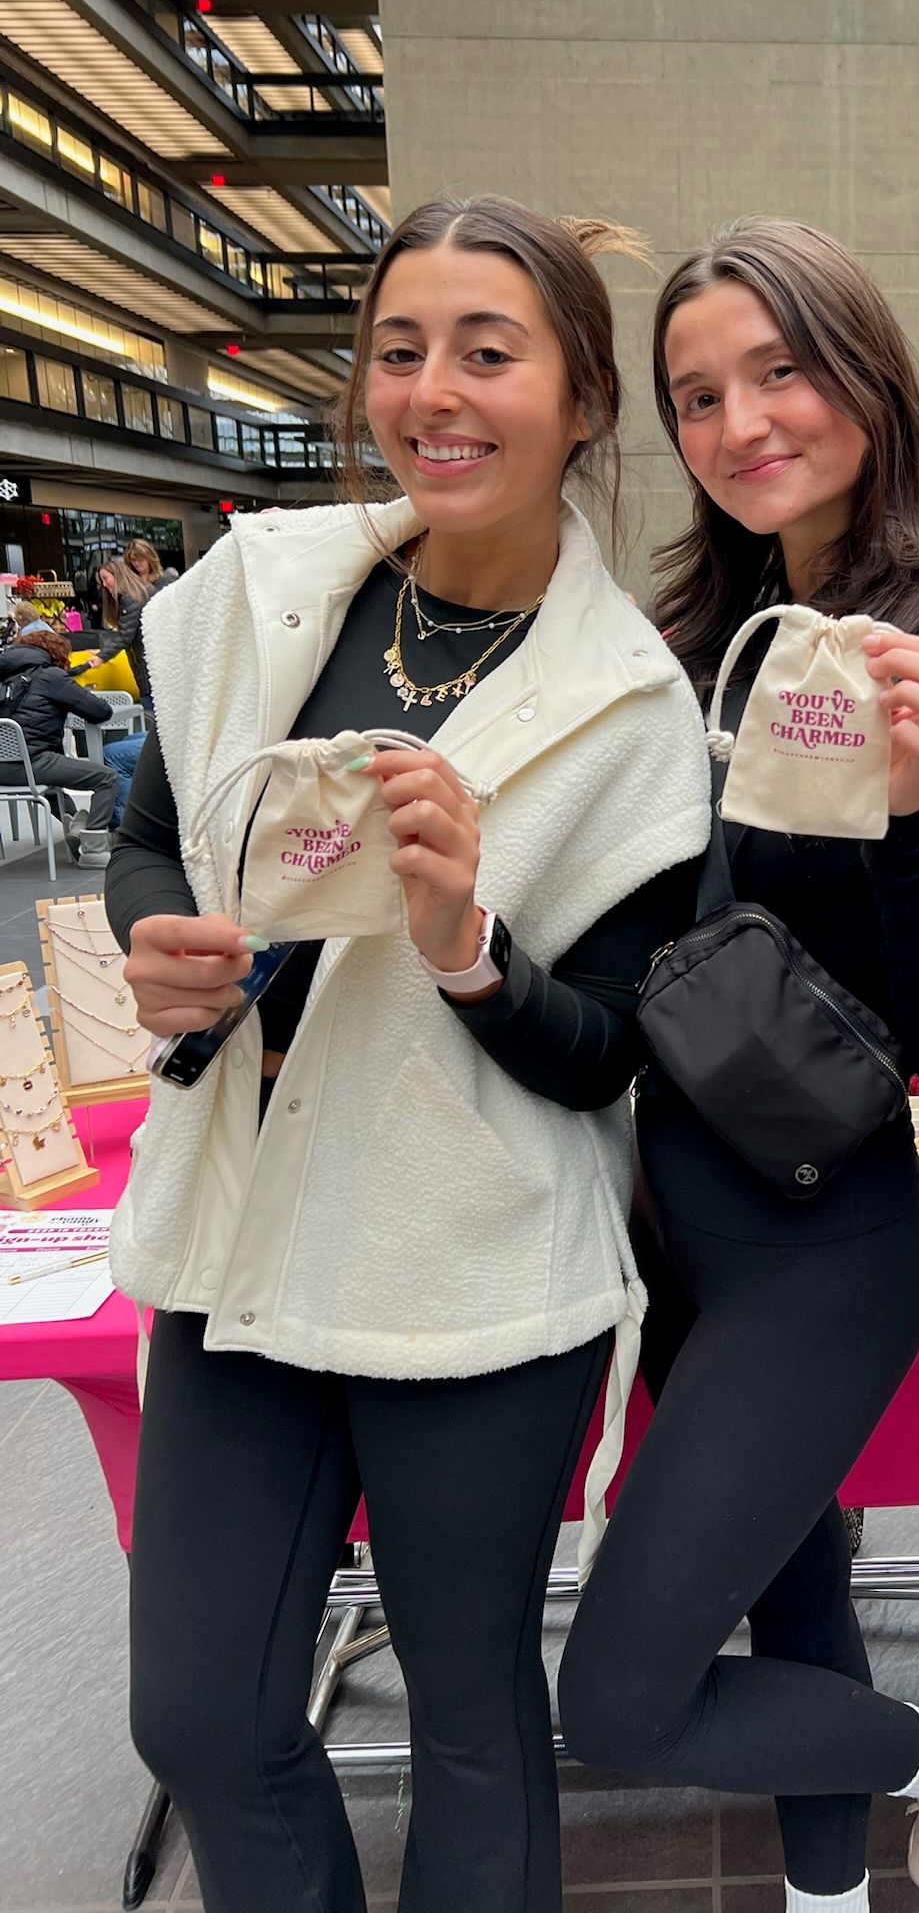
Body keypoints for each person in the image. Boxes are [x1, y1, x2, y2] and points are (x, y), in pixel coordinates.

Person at [105, 195, 713, 1913]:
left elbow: (605, 1057)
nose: (434, 390)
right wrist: (164, 938)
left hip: (469, 1263)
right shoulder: (265, 591)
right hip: (247, 1221)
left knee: (466, 1715)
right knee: (205, 1715)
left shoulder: (627, 705)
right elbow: (157, 832)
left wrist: (465, 947)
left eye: (488, 351)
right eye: (399, 348)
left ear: (584, 401)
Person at [559, 218, 919, 1913]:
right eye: (698, 391)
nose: (742, 419)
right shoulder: (690, 634)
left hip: (825, 1245)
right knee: (795, 1584)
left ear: (867, 377)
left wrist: (918, 824)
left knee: (621, 1694)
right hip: (677, 1230)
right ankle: (829, 1896)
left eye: (780, 368)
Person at [0, 622, 118, 865]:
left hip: (5, 768)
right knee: (106, 778)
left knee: (53, 782)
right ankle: (94, 848)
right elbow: (100, 711)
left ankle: (76, 823)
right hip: (31, 764)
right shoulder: (50, 676)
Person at [94, 557, 157, 705]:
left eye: (105, 578)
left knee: (150, 711)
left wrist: (101, 656)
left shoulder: (129, 599)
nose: (104, 584)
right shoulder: (140, 593)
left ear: (117, 575)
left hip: (146, 668)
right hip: (151, 666)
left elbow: (125, 635)